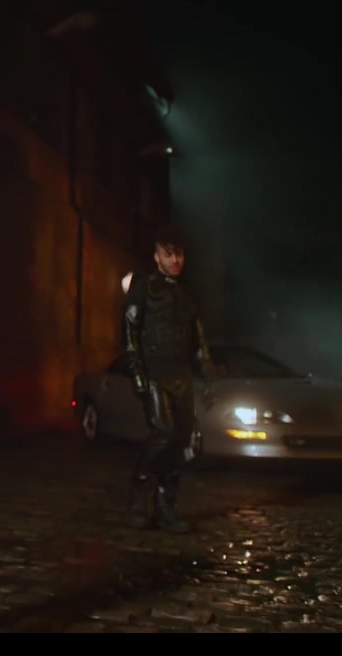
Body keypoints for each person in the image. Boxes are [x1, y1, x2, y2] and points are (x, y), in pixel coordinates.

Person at [120, 224, 213, 534]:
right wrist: (137, 372)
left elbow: (198, 338)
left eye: (179, 254)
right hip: (155, 373)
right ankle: (139, 496)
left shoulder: (187, 294)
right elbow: (130, 330)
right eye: (168, 253)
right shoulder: (144, 287)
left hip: (181, 375)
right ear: (157, 256)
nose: (175, 260)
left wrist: (208, 373)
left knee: (180, 440)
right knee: (163, 433)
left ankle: (165, 508)